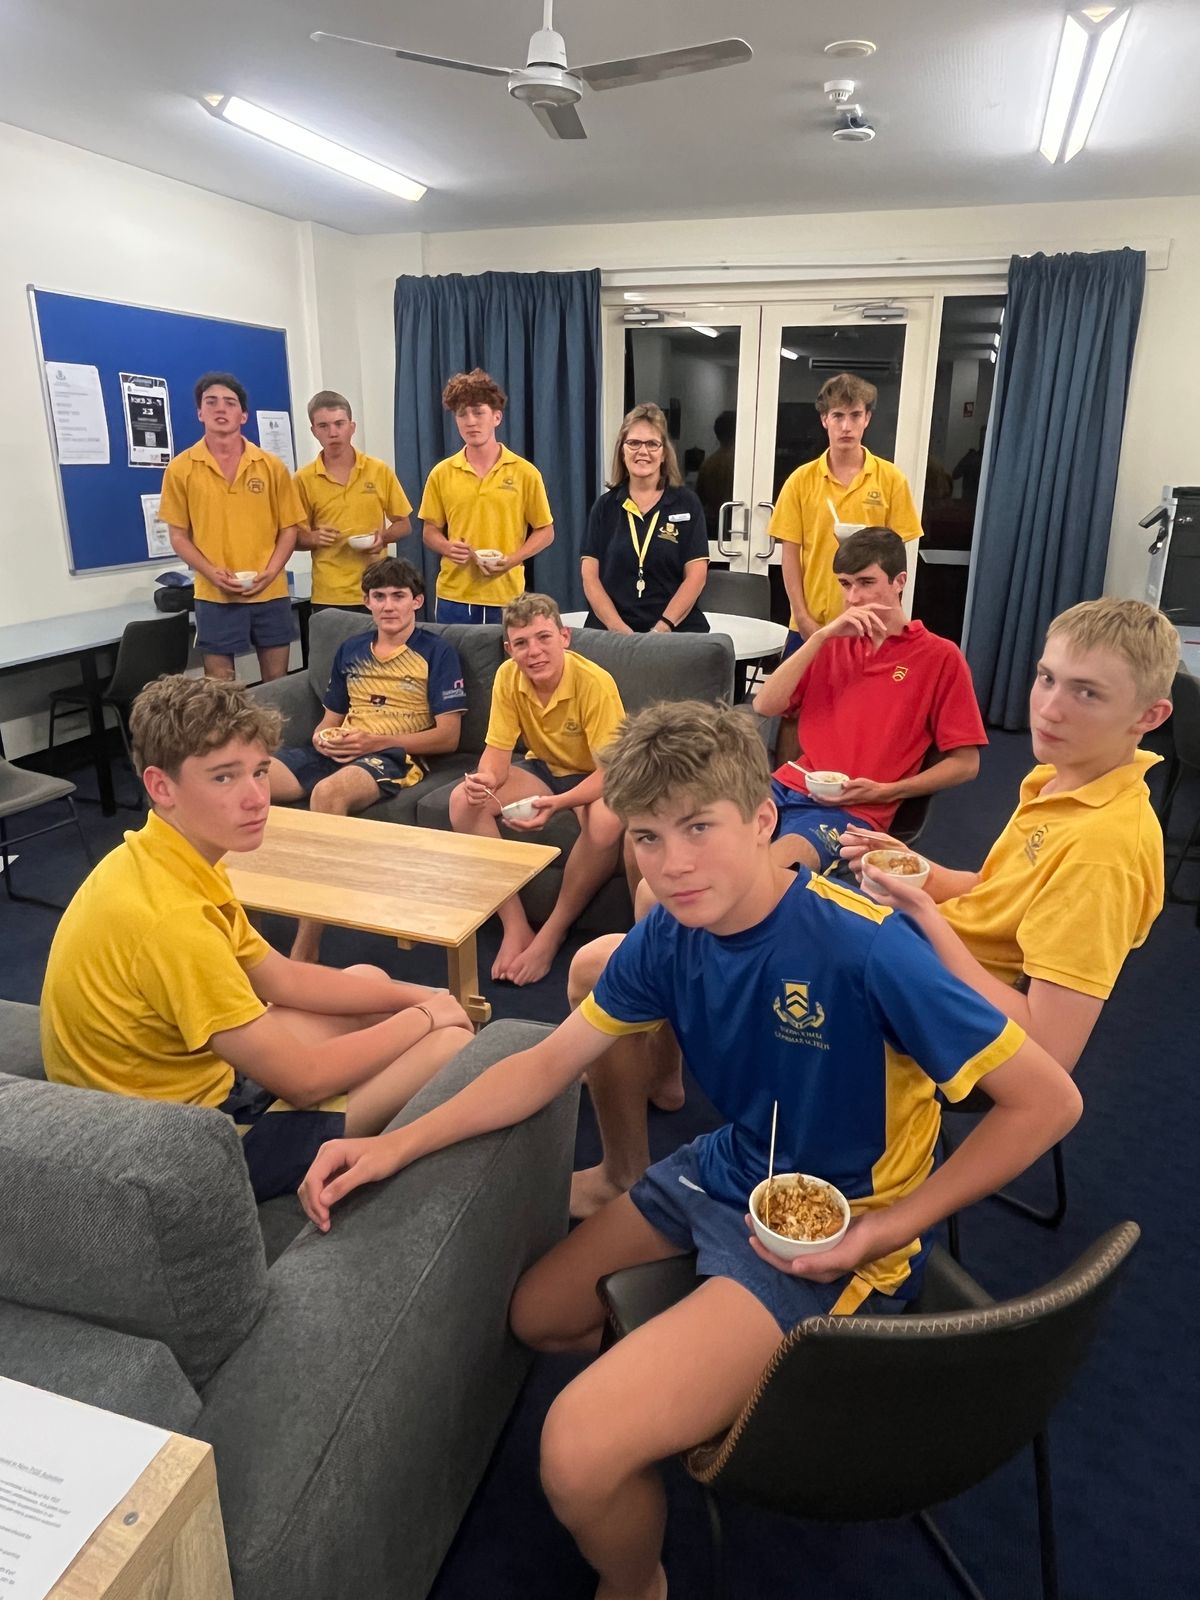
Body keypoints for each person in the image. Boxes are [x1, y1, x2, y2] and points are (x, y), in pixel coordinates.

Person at [298, 699, 1080, 1600]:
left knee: (576, 1451)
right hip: (728, 1167)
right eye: (647, 838)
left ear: (762, 820)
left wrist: (886, 1229)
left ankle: (639, 1581)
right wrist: (396, 1144)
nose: (672, 866)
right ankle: (684, 1393)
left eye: (699, 828)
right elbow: (548, 1062)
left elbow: (1048, 1104)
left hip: (839, 1229)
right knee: (539, 1316)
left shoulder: (867, 948)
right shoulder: (669, 934)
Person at [40, 675, 473, 1202]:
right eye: (224, 777)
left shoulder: (167, 858)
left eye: (260, 771)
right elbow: (304, 1080)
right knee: (448, 1042)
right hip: (179, 1154)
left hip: (175, 1095)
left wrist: (422, 996)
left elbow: (282, 978)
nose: (256, 798)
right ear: (161, 786)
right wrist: (426, 1016)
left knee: (370, 980)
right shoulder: (173, 921)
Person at [840, 597, 1179, 1075]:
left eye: (1087, 693)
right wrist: (923, 874)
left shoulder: (1104, 850)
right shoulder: (1057, 777)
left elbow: (1049, 1049)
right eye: (1047, 678)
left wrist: (925, 917)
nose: (1049, 710)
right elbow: (994, 892)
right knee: (786, 916)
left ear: (1149, 716)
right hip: (931, 953)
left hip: (955, 1013)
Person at [268, 556, 466, 963]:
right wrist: (322, 739)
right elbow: (329, 720)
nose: (388, 605)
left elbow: (448, 737)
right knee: (247, 779)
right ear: (367, 602)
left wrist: (375, 741)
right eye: (379, 597)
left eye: (398, 596)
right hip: (343, 746)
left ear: (417, 601)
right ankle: (234, 911)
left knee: (327, 794)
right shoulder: (351, 649)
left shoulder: (436, 651)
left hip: (395, 755)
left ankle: (307, 944)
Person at [753, 527, 986, 874]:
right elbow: (764, 706)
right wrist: (820, 637)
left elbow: (966, 763)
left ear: (899, 582)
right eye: (845, 584)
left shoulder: (939, 657)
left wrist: (888, 791)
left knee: (766, 874)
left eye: (866, 583)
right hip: (787, 785)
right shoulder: (831, 643)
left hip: (851, 811)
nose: (853, 598)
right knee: (699, 842)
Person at [448, 594, 625, 986]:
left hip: (595, 775)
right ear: (509, 649)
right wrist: (484, 782)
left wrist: (558, 803)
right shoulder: (507, 677)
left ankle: (552, 933)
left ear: (564, 637)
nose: (534, 652)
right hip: (544, 767)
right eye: (522, 643)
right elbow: (497, 755)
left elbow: (612, 773)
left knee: (605, 824)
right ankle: (515, 925)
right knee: (463, 802)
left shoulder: (595, 682)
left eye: (544, 637)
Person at [769, 372, 922, 659]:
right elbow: (790, 556)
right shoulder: (800, 481)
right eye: (838, 416)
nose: (846, 426)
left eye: (855, 415)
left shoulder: (891, 480)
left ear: (867, 419)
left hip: (872, 624)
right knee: (794, 690)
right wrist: (801, 617)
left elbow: (897, 561)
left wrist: (891, 618)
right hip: (811, 623)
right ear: (824, 419)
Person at [161, 372, 303, 682]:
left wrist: (272, 571)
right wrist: (212, 573)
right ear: (200, 413)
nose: (220, 409)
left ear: (243, 415)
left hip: (270, 591)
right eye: (211, 402)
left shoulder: (271, 466)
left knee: (278, 684)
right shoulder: (180, 469)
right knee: (219, 689)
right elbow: (178, 536)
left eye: (230, 402)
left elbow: (289, 529)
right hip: (214, 594)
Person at [419, 369, 554, 624]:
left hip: (507, 595)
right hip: (454, 595)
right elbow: (429, 531)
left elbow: (545, 531)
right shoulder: (441, 473)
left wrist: (512, 560)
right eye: (462, 414)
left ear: (496, 417)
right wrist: (446, 547)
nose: (470, 421)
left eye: (478, 412)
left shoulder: (525, 473)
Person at [581, 403, 709, 635]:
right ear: (622, 451)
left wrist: (661, 629)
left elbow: (696, 576)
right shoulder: (605, 507)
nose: (643, 451)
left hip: (674, 632)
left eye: (652, 444)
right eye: (634, 443)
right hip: (612, 633)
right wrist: (620, 631)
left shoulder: (687, 504)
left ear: (664, 453)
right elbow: (590, 577)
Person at [294, 389, 413, 613]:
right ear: (313, 431)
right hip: (330, 594)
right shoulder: (303, 479)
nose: (333, 433)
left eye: (339, 424)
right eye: (323, 426)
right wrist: (312, 538)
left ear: (352, 427)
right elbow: (293, 538)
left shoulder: (378, 470)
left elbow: (404, 524)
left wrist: (383, 538)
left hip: (377, 588)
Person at [694, 408, 736, 535]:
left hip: (712, 526)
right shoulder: (740, 464)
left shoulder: (708, 463)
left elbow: (699, 498)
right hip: (733, 525)